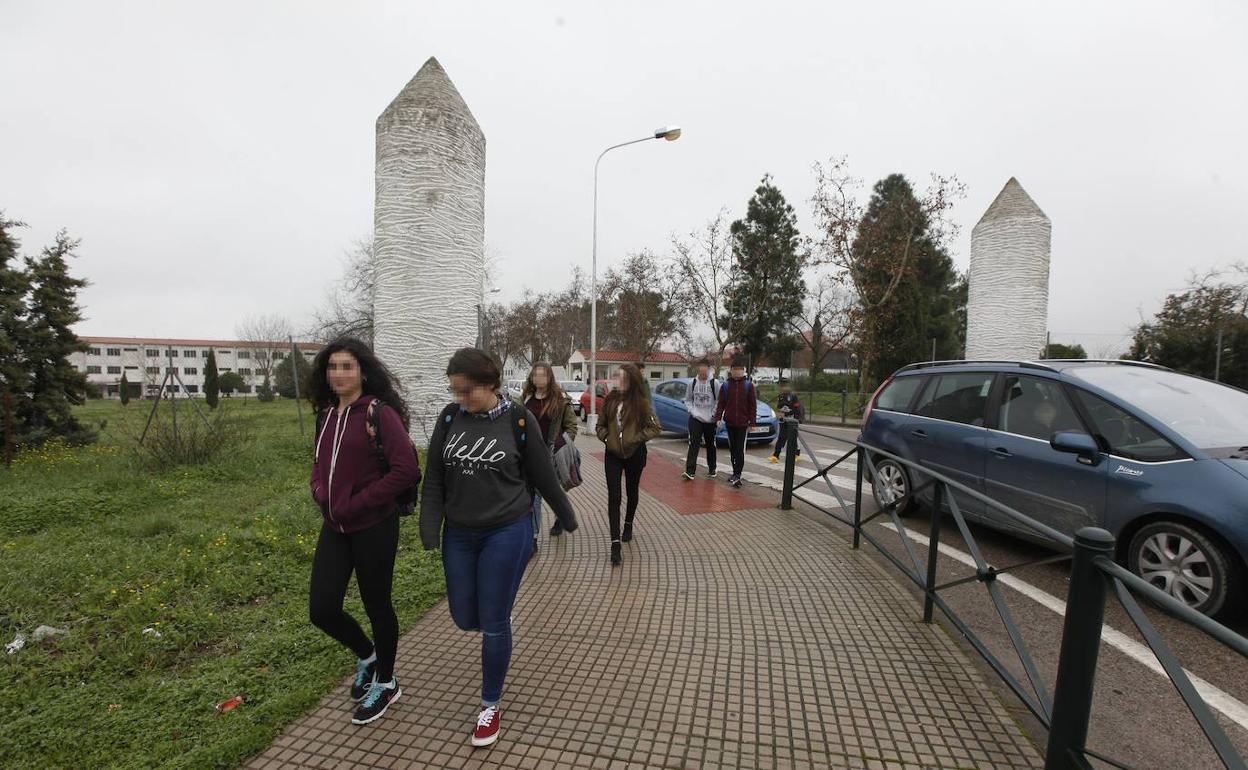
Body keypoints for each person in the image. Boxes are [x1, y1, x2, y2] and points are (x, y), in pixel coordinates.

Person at [420, 348, 578, 748]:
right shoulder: (450, 418)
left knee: (493, 619)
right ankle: (498, 628)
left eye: (467, 390)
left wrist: (566, 513)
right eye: (454, 390)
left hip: (508, 529)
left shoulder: (518, 419)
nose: (460, 398)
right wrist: (430, 523)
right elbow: (435, 476)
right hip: (460, 532)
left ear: (490, 384)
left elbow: (543, 474)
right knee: (462, 615)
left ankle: (490, 705)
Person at [308, 337, 422, 726]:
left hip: (373, 524)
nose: (338, 374)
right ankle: (368, 655)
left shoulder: (378, 413)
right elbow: (319, 464)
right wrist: (320, 493)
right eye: (332, 367)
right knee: (321, 609)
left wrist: (359, 502)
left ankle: (387, 682)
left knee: (378, 605)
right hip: (335, 525)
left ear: (362, 372)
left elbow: (406, 470)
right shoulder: (325, 413)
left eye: (347, 367)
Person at [594, 363, 662, 566]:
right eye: (617, 377)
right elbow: (600, 425)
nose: (618, 381)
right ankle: (615, 544)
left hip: (635, 455)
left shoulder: (641, 403)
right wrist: (607, 439)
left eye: (622, 378)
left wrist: (637, 439)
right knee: (614, 497)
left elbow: (655, 427)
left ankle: (629, 523)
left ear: (631, 381)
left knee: (632, 492)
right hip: (613, 455)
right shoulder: (610, 400)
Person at [520, 362, 578, 541]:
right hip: (530, 455)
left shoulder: (559, 399)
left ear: (550, 377)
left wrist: (560, 444)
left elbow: (571, 426)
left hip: (551, 454)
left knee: (554, 491)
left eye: (542, 375)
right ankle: (534, 538)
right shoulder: (526, 398)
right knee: (535, 497)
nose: (538, 378)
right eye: (535, 375)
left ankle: (560, 517)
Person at [712, 358, 756, 488]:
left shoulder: (749, 386)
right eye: (735, 369)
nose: (738, 372)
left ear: (744, 371)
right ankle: (734, 472)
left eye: (740, 369)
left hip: (743, 424)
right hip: (730, 423)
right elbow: (721, 404)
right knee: (732, 449)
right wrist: (718, 418)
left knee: (740, 450)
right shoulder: (725, 386)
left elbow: (752, 406)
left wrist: (752, 423)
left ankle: (738, 474)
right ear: (731, 371)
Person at [682, 358, 720, 481]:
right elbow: (688, 400)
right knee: (694, 443)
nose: (702, 374)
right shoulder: (692, 383)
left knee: (710, 445)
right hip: (696, 418)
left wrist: (714, 415)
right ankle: (690, 471)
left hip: (710, 419)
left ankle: (712, 468)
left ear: (709, 370)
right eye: (700, 371)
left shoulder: (715, 383)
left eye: (705, 371)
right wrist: (693, 412)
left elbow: (719, 401)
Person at [770, 377, 804, 464]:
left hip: (792, 421)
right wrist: (780, 413)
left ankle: (797, 454)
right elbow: (779, 407)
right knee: (781, 437)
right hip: (783, 420)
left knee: (793, 438)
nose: (783, 388)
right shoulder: (780, 396)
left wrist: (798, 418)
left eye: (785, 386)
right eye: (782, 386)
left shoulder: (793, 396)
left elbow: (797, 408)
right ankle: (775, 456)